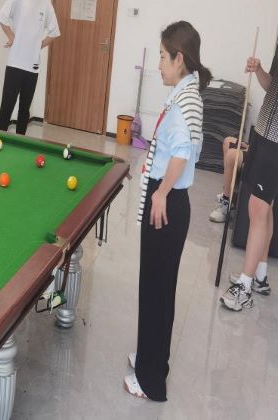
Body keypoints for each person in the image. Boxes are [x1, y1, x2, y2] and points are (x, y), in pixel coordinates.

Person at [125, 21, 212, 401]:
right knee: (155, 287)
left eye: (162, 56)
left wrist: (160, 192)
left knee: (158, 291)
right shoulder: (184, 91)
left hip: (168, 204)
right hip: (165, 200)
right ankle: (150, 359)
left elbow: (183, 151)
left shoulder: (187, 100)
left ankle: (150, 382)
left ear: (180, 58)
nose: (158, 63)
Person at [220, 41, 278, 310]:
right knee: (265, 209)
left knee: (257, 208)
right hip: (263, 133)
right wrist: (260, 71)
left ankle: (244, 286)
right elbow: (271, 87)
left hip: (276, 142)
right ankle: (260, 276)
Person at [0, 0, 60, 135]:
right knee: (6, 108)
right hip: (15, 64)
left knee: (24, 110)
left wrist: (37, 46)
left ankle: (20, 141)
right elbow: (1, 17)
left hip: (33, 67)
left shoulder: (46, 5)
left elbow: (55, 32)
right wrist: (11, 36)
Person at [208, 136, 248, 222]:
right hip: (256, 147)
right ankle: (228, 193)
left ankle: (225, 203)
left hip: (266, 154)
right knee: (228, 141)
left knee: (231, 155)